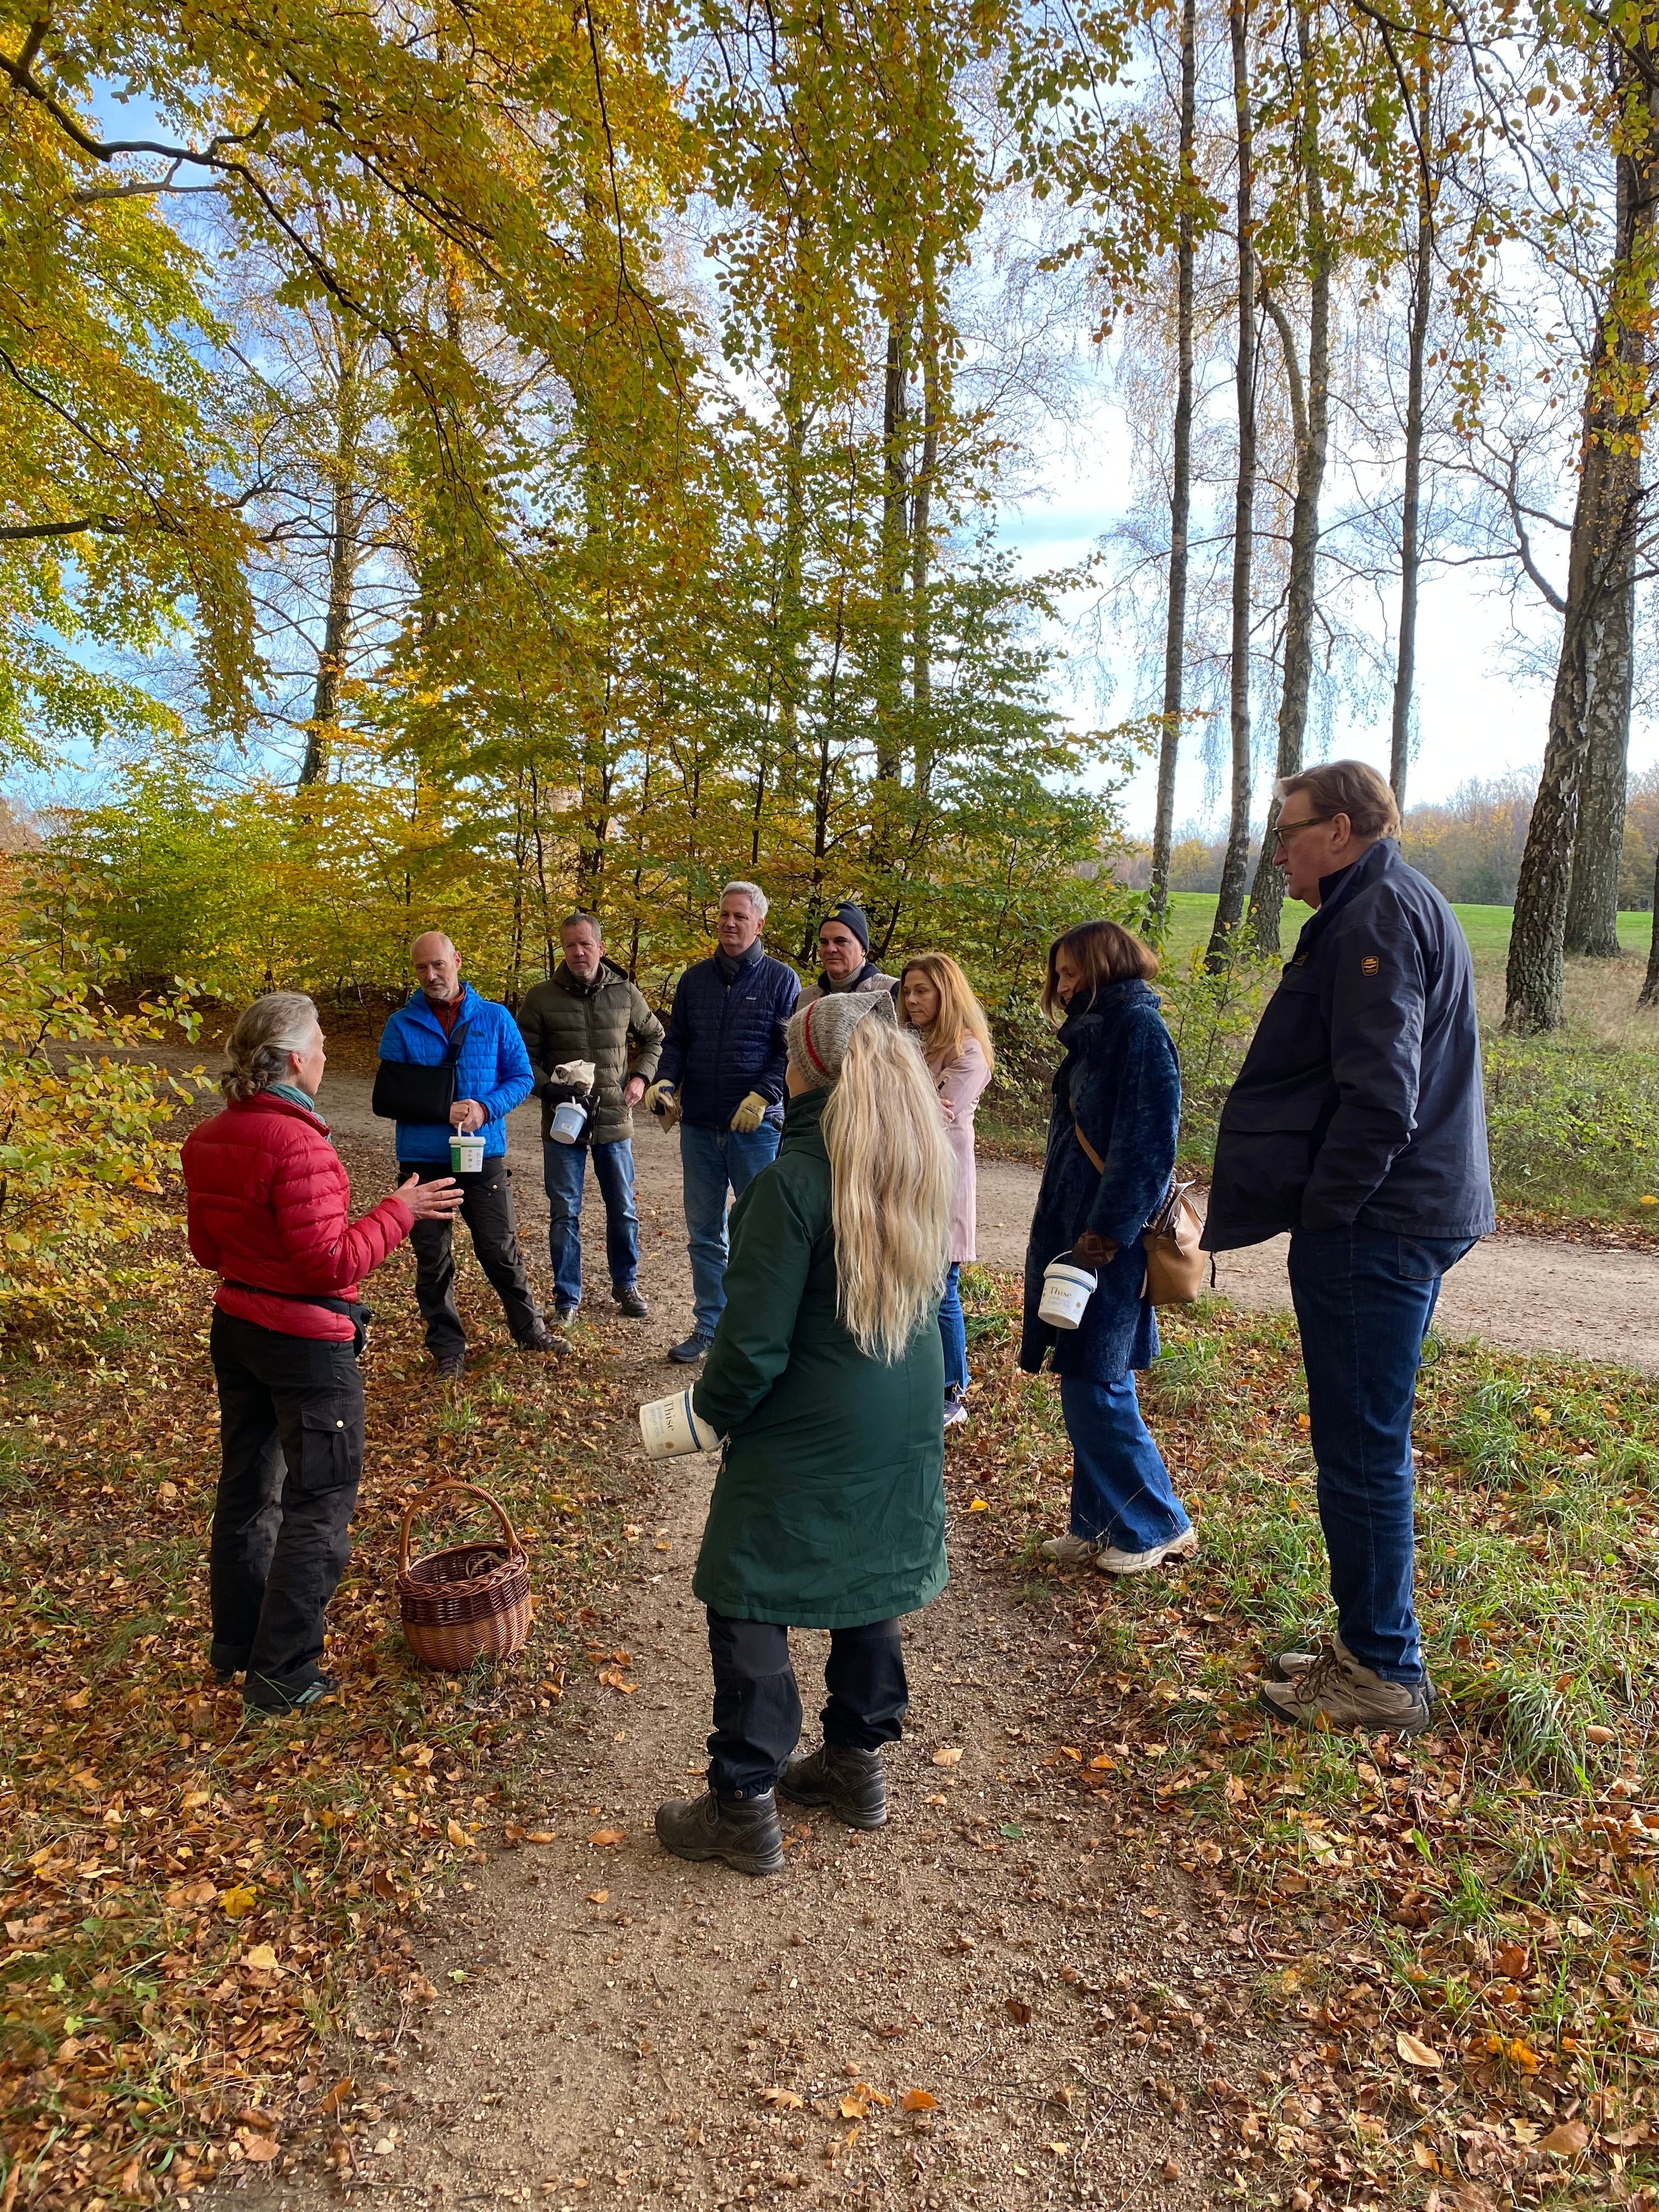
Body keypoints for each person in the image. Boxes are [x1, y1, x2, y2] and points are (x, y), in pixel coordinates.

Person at [1204, 760, 1493, 1734]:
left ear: (1338, 829)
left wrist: (1327, 1211)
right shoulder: (1389, 903)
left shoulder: (1372, 918)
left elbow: (1381, 1095)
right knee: (1360, 1439)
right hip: (1400, 1212)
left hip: (1379, 1224)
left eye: (1285, 829)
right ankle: (1369, 1638)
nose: (1275, 849)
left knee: (1361, 1448)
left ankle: (1379, 1668)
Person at [653, 992, 955, 1876]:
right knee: (871, 1573)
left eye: (791, 1056)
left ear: (817, 1070)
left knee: (746, 1583)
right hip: (900, 1419)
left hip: (810, 1422)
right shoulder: (915, 1163)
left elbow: (749, 1351)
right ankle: (856, 1765)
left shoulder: (792, 1182)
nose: (782, 1070)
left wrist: (702, 1418)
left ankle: (742, 1799)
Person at [182, 993, 465, 1713]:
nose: (328, 1055)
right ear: (296, 1059)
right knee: (317, 1506)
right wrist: (400, 1210)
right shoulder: (298, 1144)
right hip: (305, 1347)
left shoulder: (210, 1136)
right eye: (320, 1044)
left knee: (247, 1493)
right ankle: (283, 1673)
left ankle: (239, 1648)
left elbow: (208, 1249)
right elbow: (330, 1265)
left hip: (238, 1329)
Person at [1020, 919, 1197, 1575]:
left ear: (1103, 967)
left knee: (1098, 1382)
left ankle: (1158, 1522)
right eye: (1058, 976)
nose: (1061, 988)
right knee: (1085, 1374)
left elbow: (1149, 1147)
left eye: (1070, 973)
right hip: (1078, 1234)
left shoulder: (1139, 1032)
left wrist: (1107, 1233)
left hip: (1106, 1243)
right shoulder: (1094, 1037)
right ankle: (1097, 1522)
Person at [376, 930, 553, 1379]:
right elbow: (388, 1098)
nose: (431, 975)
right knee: (432, 1258)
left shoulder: (495, 1018)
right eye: (421, 968)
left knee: (499, 1246)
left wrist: (485, 1107)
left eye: (438, 965)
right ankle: (447, 1348)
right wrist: (443, 1109)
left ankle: (529, 1329)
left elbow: (521, 1078)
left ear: (457, 960)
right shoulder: (401, 1024)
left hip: (481, 1152)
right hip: (423, 1159)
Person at [641, 881, 800, 1364]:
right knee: (705, 1233)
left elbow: (788, 1050)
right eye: (724, 915)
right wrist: (664, 1082)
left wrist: (765, 1095)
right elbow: (677, 1042)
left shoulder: (781, 980)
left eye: (740, 917)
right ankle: (710, 1325)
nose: (730, 924)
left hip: (754, 1130)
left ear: (760, 924)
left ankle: (756, 1332)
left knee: (758, 1234)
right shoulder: (694, 981)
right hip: (699, 1127)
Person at [516, 913, 664, 1325]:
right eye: (570, 945)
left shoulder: (625, 993)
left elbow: (654, 1036)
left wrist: (641, 1076)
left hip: (614, 1120)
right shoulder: (540, 998)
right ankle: (567, 1299)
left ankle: (626, 1284)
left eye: (585, 944)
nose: (578, 952)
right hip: (562, 1122)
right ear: (562, 949)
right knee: (565, 1211)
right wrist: (549, 1088)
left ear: (601, 946)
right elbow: (521, 1057)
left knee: (623, 1207)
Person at [899, 952, 994, 1427]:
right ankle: (920, 1379)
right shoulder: (909, 1044)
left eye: (923, 991)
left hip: (944, 1182)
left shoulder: (967, 1051)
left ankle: (953, 1390)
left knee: (943, 1288)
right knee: (915, 1285)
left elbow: (939, 1114)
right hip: (905, 1178)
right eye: (908, 991)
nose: (912, 1000)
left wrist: (897, 1094)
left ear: (946, 993)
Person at [798, 901, 899, 1006]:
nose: (830, 949)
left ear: (863, 949)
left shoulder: (893, 992)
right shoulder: (804, 999)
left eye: (840, 941)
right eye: (824, 942)